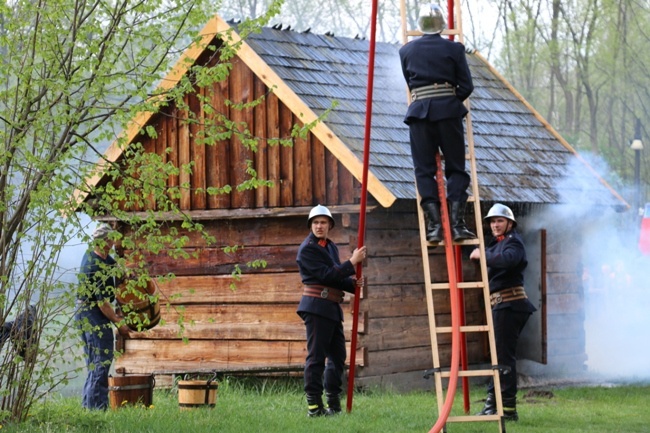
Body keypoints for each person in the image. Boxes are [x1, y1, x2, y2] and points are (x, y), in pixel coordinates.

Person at [399, 3, 476, 243]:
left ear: (420, 26)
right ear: (442, 24)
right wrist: (449, 102)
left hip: (419, 114)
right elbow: (466, 86)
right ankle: (457, 225)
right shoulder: (454, 49)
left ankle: (434, 227)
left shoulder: (406, 51)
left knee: (423, 170)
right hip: (448, 114)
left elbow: (411, 86)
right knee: (456, 167)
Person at [296, 205, 367, 417]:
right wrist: (352, 262)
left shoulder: (330, 246)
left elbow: (336, 277)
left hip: (331, 308)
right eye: (315, 222)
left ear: (330, 226)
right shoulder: (307, 248)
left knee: (337, 357)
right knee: (316, 357)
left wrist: (353, 284)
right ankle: (314, 408)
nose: (319, 226)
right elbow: (326, 275)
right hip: (317, 307)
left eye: (323, 222)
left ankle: (333, 404)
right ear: (311, 225)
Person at [469, 204, 536, 421]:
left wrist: (482, 254)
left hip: (510, 305)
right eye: (492, 221)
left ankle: (508, 410)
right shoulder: (496, 244)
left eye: (499, 221)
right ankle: (492, 404)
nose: (495, 225)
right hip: (501, 306)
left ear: (509, 223)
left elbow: (507, 260)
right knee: (499, 356)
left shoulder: (513, 242)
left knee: (504, 358)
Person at [75, 223, 130, 410]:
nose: (115, 242)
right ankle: (98, 409)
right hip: (90, 313)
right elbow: (102, 304)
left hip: (92, 311)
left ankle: (88, 407)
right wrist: (118, 322)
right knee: (101, 360)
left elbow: (115, 267)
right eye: (112, 239)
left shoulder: (104, 257)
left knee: (95, 362)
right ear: (104, 241)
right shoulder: (93, 264)